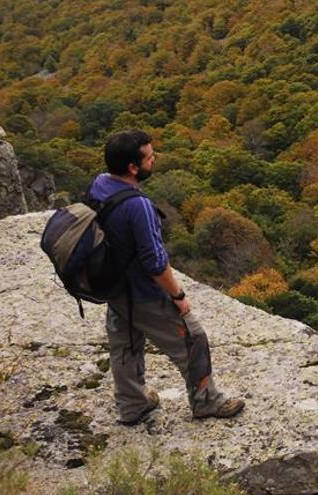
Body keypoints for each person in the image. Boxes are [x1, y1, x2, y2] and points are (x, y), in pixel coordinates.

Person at [86, 129, 244, 425]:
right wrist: (178, 296)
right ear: (133, 167)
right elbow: (156, 263)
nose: (154, 159)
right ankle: (206, 401)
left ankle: (132, 405)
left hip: (115, 287)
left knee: (125, 344)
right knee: (194, 338)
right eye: (149, 157)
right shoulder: (138, 206)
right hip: (144, 293)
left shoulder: (100, 184)